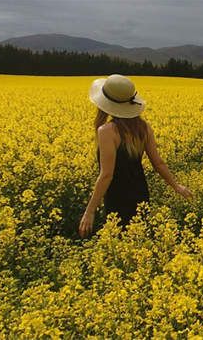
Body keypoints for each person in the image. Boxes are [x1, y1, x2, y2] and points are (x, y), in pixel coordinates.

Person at [78, 74, 193, 238]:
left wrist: (89, 212)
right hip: (140, 192)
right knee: (139, 240)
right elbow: (158, 163)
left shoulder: (106, 131)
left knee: (118, 241)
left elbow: (106, 175)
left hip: (117, 195)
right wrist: (176, 186)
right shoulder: (143, 128)